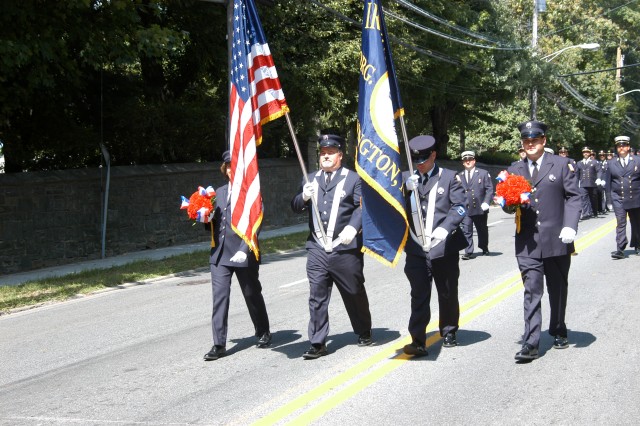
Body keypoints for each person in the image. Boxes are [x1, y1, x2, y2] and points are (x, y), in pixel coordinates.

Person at [291, 134, 373, 359]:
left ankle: (363, 329)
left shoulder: (353, 179)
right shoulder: (310, 178)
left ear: (340, 155)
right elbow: (295, 206)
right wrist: (303, 197)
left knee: (354, 291)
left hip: (344, 247)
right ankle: (318, 342)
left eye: (330, 153)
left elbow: (362, 207)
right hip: (317, 247)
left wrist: (353, 227)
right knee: (316, 295)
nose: (326, 156)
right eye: (323, 153)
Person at [507, 120, 581, 362]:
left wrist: (570, 225)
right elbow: (510, 206)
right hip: (527, 242)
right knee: (532, 291)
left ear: (544, 141)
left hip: (558, 238)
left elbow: (574, 197)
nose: (530, 144)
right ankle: (531, 343)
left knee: (557, 289)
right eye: (526, 140)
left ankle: (558, 328)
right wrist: (507, 201)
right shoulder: (515, 169)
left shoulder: (561, 165)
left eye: (535, 140)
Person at [401, 135, 467, 356]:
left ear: (434, 155)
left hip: (443, 246)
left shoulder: (449, 178)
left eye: (424, 159)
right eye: (416, 160)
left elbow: (460, 207)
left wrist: (446, 227)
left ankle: (448, 330)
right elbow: (394, 208)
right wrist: (404, 190)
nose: (420, 164)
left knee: (447, 291)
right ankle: (418, 339)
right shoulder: (406, 178)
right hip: (417, 247)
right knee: (419, 293)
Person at [204, 151, 271, 361]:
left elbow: (255, 223)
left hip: (243, 251)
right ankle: (219, 344)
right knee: (220, 298)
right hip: (220, 253)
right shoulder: (219, 193)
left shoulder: (251, 192)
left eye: (235, 165)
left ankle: (262, 331)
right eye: (229, 166)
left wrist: (245, 249)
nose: (232, 169)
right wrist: (204, 217)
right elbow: (213, 226)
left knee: (251, 293)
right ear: (225, 169)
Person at [606, 136, 640, 259]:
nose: (622, 148)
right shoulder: (611, 163)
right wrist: (609, 201)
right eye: (619, 146)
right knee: (621, 222)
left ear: (628, 147)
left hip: (635, 196)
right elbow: (608, 183)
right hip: (618, 198)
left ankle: (638, 245)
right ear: (617, 148)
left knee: (636, 222)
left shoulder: (637, 160)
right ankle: (620, 248)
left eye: (624, 145)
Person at [458, 150, 493, 260]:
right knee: (466, 230)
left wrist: (487, 202)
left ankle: (484, 247)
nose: (468, 162)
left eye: (470, 160)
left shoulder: (483, 173)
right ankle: (468, 251)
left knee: (481, 229)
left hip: (479, 207)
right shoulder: (459, 175)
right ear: (463, 162)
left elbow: (489, 189)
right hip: (466, 208)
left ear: (474, 161)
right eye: (465, 160)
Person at [576, 146, 601, 219]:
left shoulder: (594, 162)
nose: (585, 153)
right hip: (583, 184)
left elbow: (599, 171)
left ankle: (595, 212)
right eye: (584, 152)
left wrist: (599, 178)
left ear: (590, 153)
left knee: (593, 198)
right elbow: (577, 174)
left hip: (592, 183)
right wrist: (576, 183)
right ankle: (586, 213)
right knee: (584, 199)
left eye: (587, 152)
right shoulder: (579, 163)